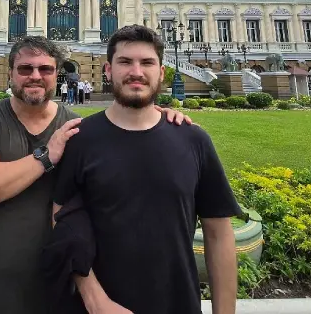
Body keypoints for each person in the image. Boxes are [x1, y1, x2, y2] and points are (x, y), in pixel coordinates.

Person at [0, 36, 194, 314]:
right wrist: (46, 156)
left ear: (57, 74)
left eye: (45, 69)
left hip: (59, 294)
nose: (35, 76)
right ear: (10, 74)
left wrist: (157, 117)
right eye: (25, 69)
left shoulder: (76, 129)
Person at [53, 25, 240, 314]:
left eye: (147, 62)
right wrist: (95, 299)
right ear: (108, 70)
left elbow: (218, 235)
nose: (136, 72)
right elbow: (61, 221)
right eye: (125, 62)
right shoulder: (80, 140)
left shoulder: (193, 140)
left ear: (161, 72)